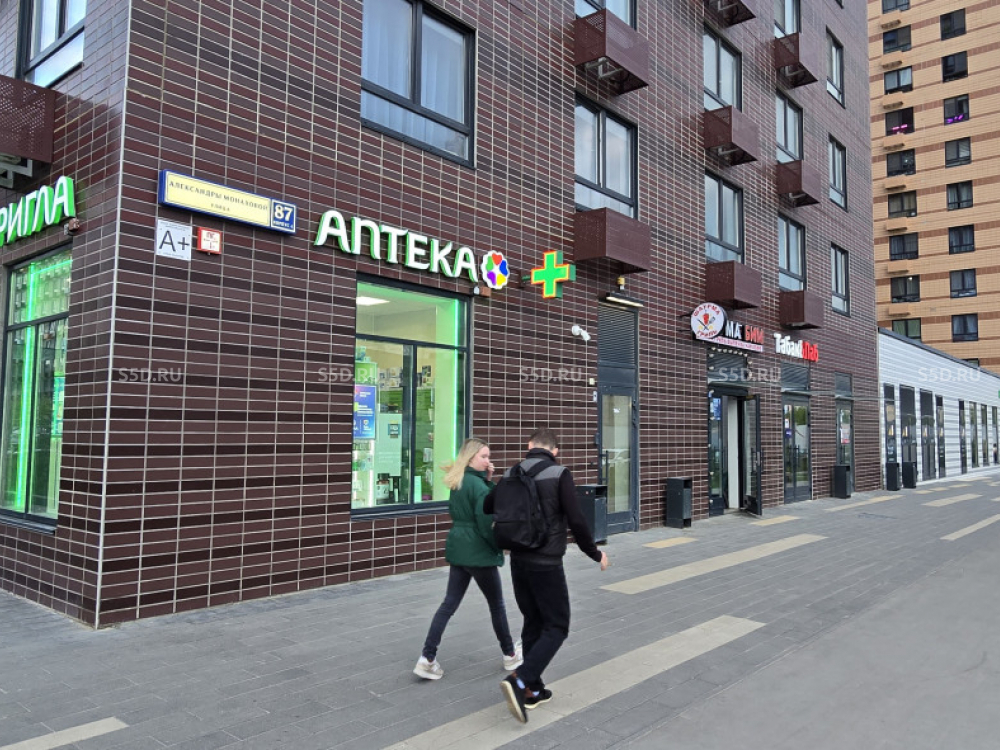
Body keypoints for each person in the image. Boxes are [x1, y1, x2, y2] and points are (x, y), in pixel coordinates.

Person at [485, 428, 609, 722]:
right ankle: (520, 679)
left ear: (529, 446)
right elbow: (576, 518)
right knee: (556, 626)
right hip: (546, 562)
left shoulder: (512, 472)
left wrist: (491, 480)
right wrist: (594, 553)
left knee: (533, 621)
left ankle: (533, 690)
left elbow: (488, 506)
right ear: (555, 451)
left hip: (518, 560)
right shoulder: (559, 473)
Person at [413, 438, 523, 680]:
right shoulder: (479, 487)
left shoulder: (459, 481)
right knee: (497, 604)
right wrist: (497, 547)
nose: (488, 460)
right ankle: (509, 654)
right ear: (471, 457)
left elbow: (475, 504)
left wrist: (488, 479)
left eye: (488, 456)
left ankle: (427, 658)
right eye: (484, 456)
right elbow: (485, 521)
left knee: (448, 604)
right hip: (478, 552)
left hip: (459, 549)